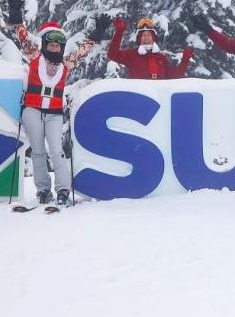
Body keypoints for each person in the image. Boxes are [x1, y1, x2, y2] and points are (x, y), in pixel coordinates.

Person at [14, 19, 96, 205]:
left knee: (56, 151)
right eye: (51, 44)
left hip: (54, 114)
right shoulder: (35, 57)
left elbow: (81, 53)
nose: (54, 48)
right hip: (33, 110)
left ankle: (63, 189)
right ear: (44, 45)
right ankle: (43, 190)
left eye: (58, 45)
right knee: (37, 151)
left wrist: (95, 36)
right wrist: (17, 19)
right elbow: (24, 38)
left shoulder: (66, 64)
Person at [106, 17, 194, 79]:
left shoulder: (161, 58)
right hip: (139, 98)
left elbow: (175, 78)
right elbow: (112, 54)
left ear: (153, 38)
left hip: (159, 98)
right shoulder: (132, 55)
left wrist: (185, 60)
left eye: (148, 35)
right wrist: (119, 32)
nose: (146, 37)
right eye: (143, 35)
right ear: (139, 39)